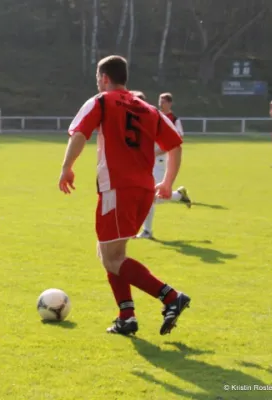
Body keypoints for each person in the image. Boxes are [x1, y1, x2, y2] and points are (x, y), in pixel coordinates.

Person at [59, 56, 191, 336]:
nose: (97, 82)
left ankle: (170, 296)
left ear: (104, 78)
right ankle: (126, 316)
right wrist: (167, 182)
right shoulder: (149, 109)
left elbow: (80, 133)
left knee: (112, 258)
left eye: (98, 78)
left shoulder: (101, 101)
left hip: (117, 188)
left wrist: (66, 167)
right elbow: (175, 146)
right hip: (143, 189)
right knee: (108, 251)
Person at [136, 92, 191, 239]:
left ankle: (147, 231)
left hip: (160, 163)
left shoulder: (171, 119)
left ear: (169, 103)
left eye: (163, 101)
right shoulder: (148, 117)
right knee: (144, 196)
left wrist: (154, 153)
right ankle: (178, 196)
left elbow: (176, 142)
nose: (160, 103)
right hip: (146, 162)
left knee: (149, 197)